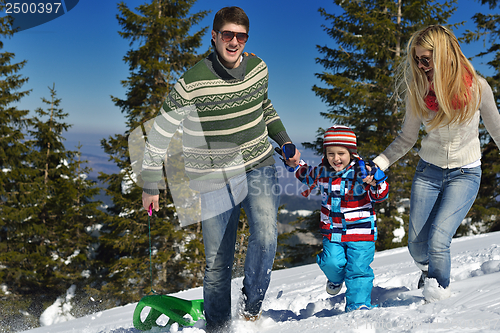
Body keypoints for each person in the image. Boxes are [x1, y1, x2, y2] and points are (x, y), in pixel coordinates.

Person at [140, 6, 299, 332]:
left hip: (258, 163)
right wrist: (150, 184)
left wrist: (284, 142)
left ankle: (251, 309)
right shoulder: (192, 83)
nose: (234, 42)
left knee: (267, 237)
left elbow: (264, 106)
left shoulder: (259, 69)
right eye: (227, 34)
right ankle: (217, 327)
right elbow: (160, 132)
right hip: (214, 175)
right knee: (217, 262)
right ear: (214, 36)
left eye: (241, 36)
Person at [370, 25, 500, 301]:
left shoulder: (477, 88)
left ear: (443, 55)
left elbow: (498, 132)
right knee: (417, 247)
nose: (420, 65)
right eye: (416, 59)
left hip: (465, 174)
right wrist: (379, 163)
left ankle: (436, 300)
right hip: (428, 171)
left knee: (439, 240)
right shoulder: (417, 89)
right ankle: (429, 273)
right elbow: (406, 138)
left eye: (425, 59)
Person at [284, 125, 389, 312]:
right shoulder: (323, 171)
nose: (336, 158)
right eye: (331, 153)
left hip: (361, 233)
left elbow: (380, 195)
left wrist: (377, 181)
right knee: (330, 262)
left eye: (341, 153)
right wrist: (295, 165)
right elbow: (307, 175)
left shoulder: (363, 173)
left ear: (352, 153)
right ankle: (335, 279)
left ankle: (358, 306)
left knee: (358, 270)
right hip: (333, 232)